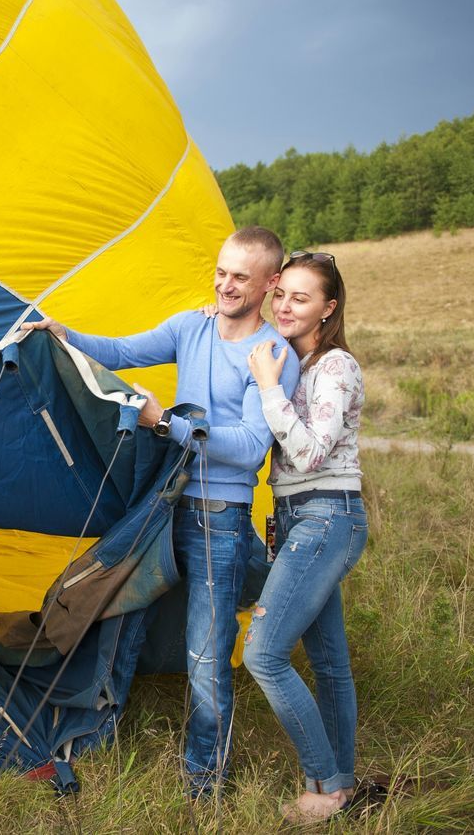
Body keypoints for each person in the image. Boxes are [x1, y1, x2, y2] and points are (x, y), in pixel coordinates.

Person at [22, 227, 300, 795]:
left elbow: (250, 446)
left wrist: (167, 423)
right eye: (220, 272)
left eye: (240, 277)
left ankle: (204, 781)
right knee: (122, 618)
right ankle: (96, 736)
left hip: (220, 516)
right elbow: (124, 351)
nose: (225, 285)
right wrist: (64, 335)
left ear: (270, 284)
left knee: (205, 655)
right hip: (164, 502)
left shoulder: (272, 355)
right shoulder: (189, 325)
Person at [240, 250, 367, 824]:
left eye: (302, 297)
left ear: (328, 308)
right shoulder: (285, 358)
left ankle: (323, 786)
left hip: (326, 517)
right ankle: (344, 782)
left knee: (264, 654)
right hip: (295, 519)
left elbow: (312, 452)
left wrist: (268, 388)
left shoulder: (335, 368)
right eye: (281, 293)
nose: (286, 306)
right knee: (329, 661)